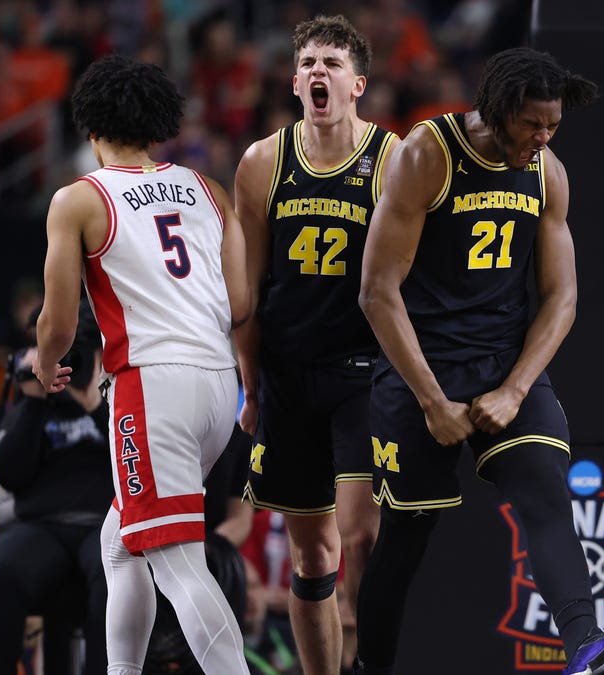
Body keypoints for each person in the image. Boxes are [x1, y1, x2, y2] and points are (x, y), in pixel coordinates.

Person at [356, 47, 604, 675]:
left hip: (504, 364)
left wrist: (515, 388)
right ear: (499, 111)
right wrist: (430, 401)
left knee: (545, 492)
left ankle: (586, 651)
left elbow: (563, 299)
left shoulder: (548, 172)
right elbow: (376, 292)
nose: (543, 136)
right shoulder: (427, 154)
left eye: (553, 125)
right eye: (532, 124)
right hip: (420, 365)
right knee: (401, 540)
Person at [32, 54, 251, 674]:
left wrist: (47, 365)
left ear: (89, 127)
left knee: (178, 564)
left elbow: (57, 319)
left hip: (153, 388)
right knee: (122, 544)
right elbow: (241, 304)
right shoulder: (208, 190)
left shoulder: (79, 199)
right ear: (160, 123)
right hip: (217, 387)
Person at [232, 15, 396, 674]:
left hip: (362, 367)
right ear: (296, 81)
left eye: (331, 62)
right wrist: (250, 385)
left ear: (358, 83)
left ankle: (372, 665)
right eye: (308, 63)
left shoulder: (393, 158)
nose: (318, 72)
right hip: (287, 372)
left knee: (361, 530)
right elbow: (249, 292)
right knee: (312, 554)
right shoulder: (262, 162)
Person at [0, 303, 110, 675]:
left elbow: (133, 465)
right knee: (1, 571)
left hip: (105, 524)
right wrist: (33, 401)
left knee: (114, 574)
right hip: (41, 524)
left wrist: (95, 406)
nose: (74, 367)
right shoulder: (37, 398)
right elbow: (7, 472)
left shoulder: (117, 397)